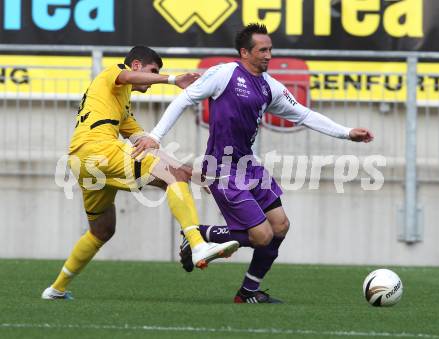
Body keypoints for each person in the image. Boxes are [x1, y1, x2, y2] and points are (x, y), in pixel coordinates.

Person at [141, 24, 374, 304]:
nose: (268, 55)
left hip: (250, 167)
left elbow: (303, 114)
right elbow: (184, 100)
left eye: (270, 49)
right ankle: (199, 236)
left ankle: (248, 292)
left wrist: (346, 133)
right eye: (262, 50)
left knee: (281, 226)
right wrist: (154, 136)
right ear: (245, 52)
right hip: (222, 168)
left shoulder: (269, 86)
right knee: (262, 236)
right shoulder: (224, 74)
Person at [41, 46, 239, 300]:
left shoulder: (120, 105)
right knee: (172, 178)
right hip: (99, 150)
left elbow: (146, 144)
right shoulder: (116, 72)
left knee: (102, 230)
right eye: (152, 71)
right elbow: (127, 77)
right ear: (135, 66)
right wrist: (172, 80)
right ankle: (198, 244)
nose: (154, 77)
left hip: (83, 160)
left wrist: (191, 173)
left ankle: (56, 288)